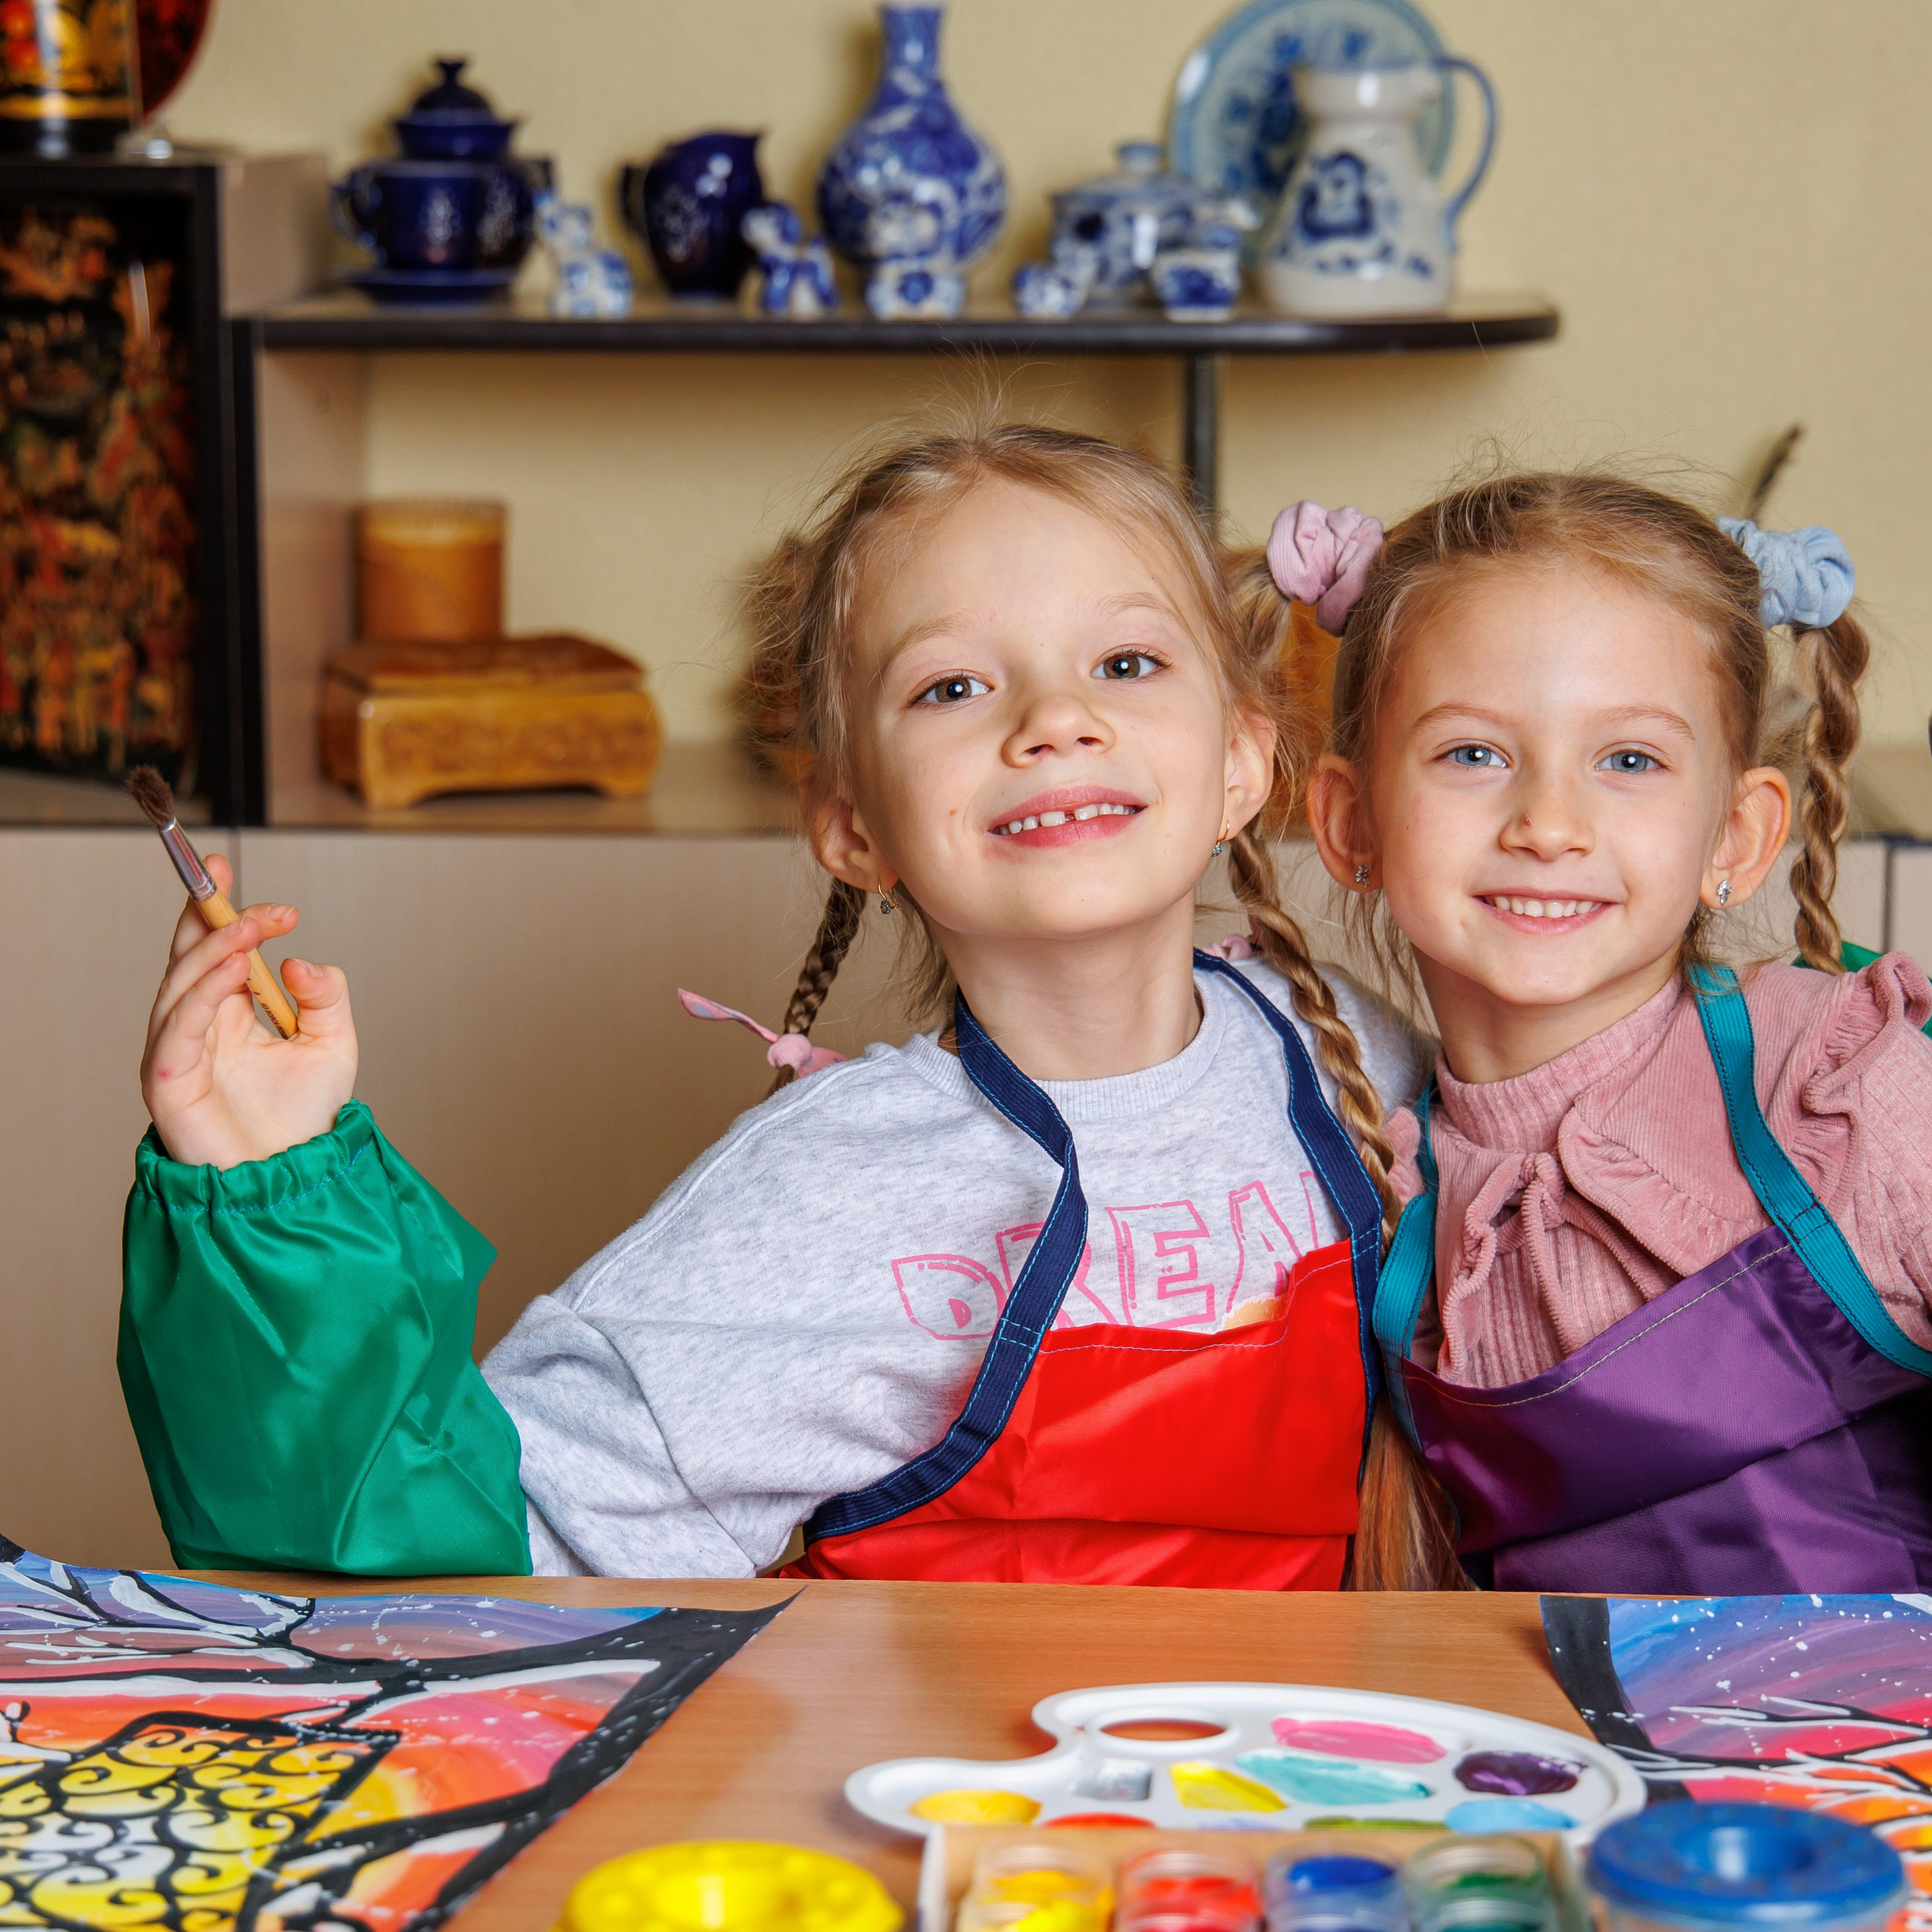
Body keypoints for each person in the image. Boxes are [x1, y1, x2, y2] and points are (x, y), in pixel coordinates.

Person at [122, 424, 1432, 1585]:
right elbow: (476, 1548)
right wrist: (270, 1196)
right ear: (854, 825)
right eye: (953, 687)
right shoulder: (817, 1195)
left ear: (1249, 762)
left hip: (1320, 1812)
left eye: (1128, 661)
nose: (1054, 719)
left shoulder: (1359, 1060)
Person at [1299, 469, 1932, 1592]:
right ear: (1354, 823)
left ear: (1736, 836)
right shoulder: (1369, 1184)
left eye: (1629, 760)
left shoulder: (1841, 1089)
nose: (1549, 824)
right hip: (1555, 1765)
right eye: (1473, 754)